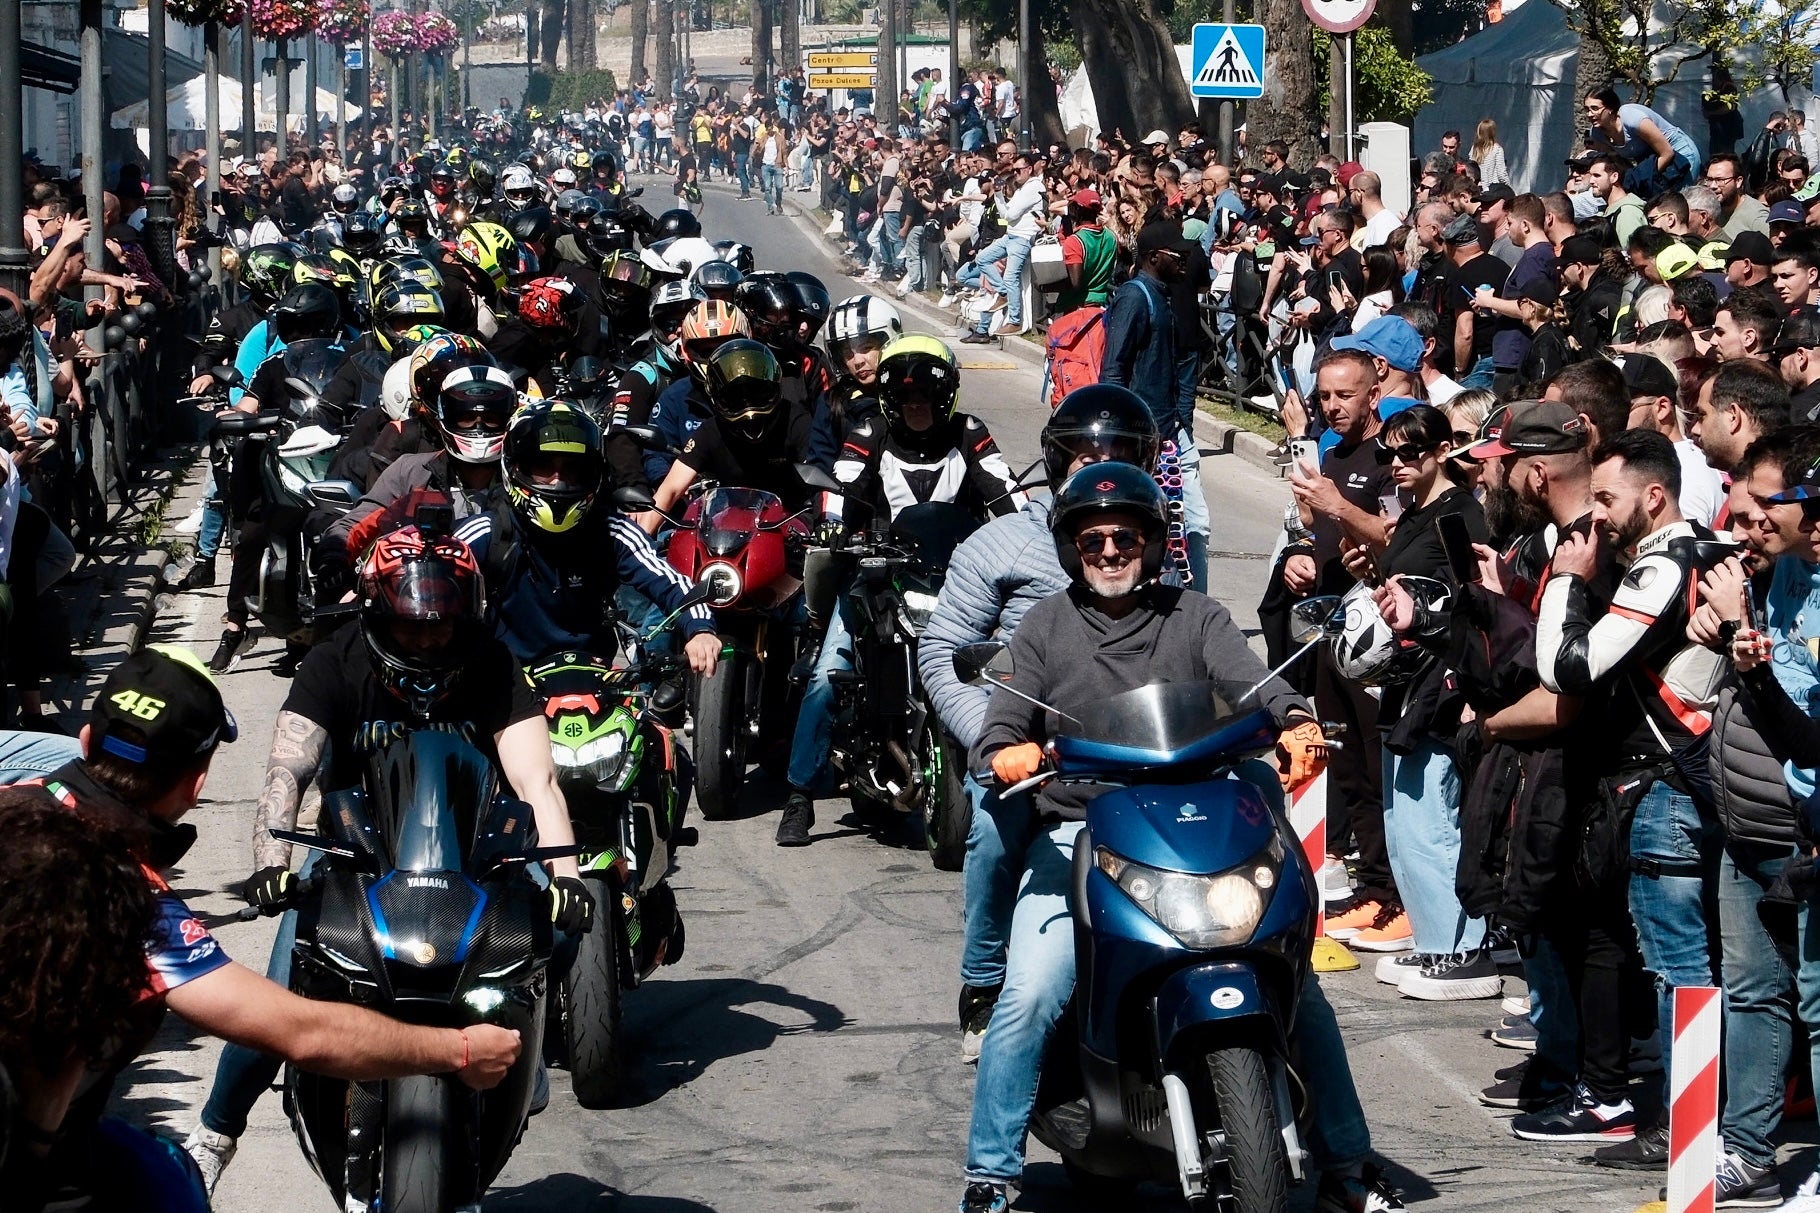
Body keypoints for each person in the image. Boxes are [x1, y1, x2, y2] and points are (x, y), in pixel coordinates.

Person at [957, 461, 1403, 1213]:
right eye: (1092, 540)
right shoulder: (1044, 626)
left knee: (1299, 987)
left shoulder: (1195, 616)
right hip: (1082, 831)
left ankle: (1350, 1166)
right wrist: (1005, 750)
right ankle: (990, 1175)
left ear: (1154, 542)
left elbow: (1253, 681)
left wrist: (1295, 719)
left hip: (1199, 824)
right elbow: (1002, 720)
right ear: (1071, 547)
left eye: (1124, 538)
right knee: (1030, 991)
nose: (1108, 551)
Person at [182, 527, 587, 1190]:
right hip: (354, 857)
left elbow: (536, 780)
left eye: (441, 627)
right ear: (375, 616)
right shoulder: (333, 660)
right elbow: (287, 770)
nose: (427, 642)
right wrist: (271, 863)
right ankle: (215, 1133)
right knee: (279, 995)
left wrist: (567, 877)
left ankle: (529, 1043)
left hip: (476, 856)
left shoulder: (493, 663)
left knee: (563, 931)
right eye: (410, 627)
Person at [918, 386, 1160, 1061]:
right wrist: (997, 741)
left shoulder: (1152, 543)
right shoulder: (1000, 542)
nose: (1101, 471)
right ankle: (984, 981)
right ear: (1056, 463)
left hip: (1134, 746)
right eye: (1084, 457)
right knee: (994, 827)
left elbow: (1190, 647)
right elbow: (943, 652)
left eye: (1119, 457)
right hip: (1027, 746)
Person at [1534, 428, 1727, 1152]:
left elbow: (1567, 668)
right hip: (1695, 780)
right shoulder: (1715, 549)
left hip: (1665, 786)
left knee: (1679, 965)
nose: (1598, 514)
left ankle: (1691, 1131)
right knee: (1698, 961)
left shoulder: (1663, 566)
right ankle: (1701, 1123)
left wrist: (1565, 580)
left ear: (1654, 496)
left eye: (1608, 498)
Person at [777, 336, 1023, 846]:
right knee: (827, 675)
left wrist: (1030, 528)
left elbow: (1005, 488)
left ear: (945, 397)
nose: (916, 407)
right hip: (877, 575)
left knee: (1014, 662)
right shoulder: (870, 432)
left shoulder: (970, 432)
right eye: (906, 398)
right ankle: (799, 796)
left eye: (926, 396)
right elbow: (840, 483)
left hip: (957, 579)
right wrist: (832, 523)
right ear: (890, 400)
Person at [1100, 220, 1208, 585]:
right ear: (1153, 257)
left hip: (1171, 431)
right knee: (1171, 529)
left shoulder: (1162, 294)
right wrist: (1123, 437)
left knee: (1193, 526)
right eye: (1177, 254)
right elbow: (1113, 369)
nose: (1184, 260)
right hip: (1146, 438)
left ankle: (1195, 608)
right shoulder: (1135, 296)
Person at [1586, 87, 1703, 194]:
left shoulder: (1632, 119)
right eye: (1587, 109)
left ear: (1610, 108)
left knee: (1680, 199)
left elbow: (1667, 153)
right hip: (1653, 161)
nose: (1589, 114)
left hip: (1679, 154)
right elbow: (1618, 162)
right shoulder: (1597, 134)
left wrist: (1643, 177)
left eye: (1595, 109)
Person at [1471, 118, 1510, 187]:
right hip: (1492, 188)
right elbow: (1501, 174)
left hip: (1477, 187)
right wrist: (1509, 187)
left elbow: (1471, 169)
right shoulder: (1497, 149)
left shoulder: (1474, 148)